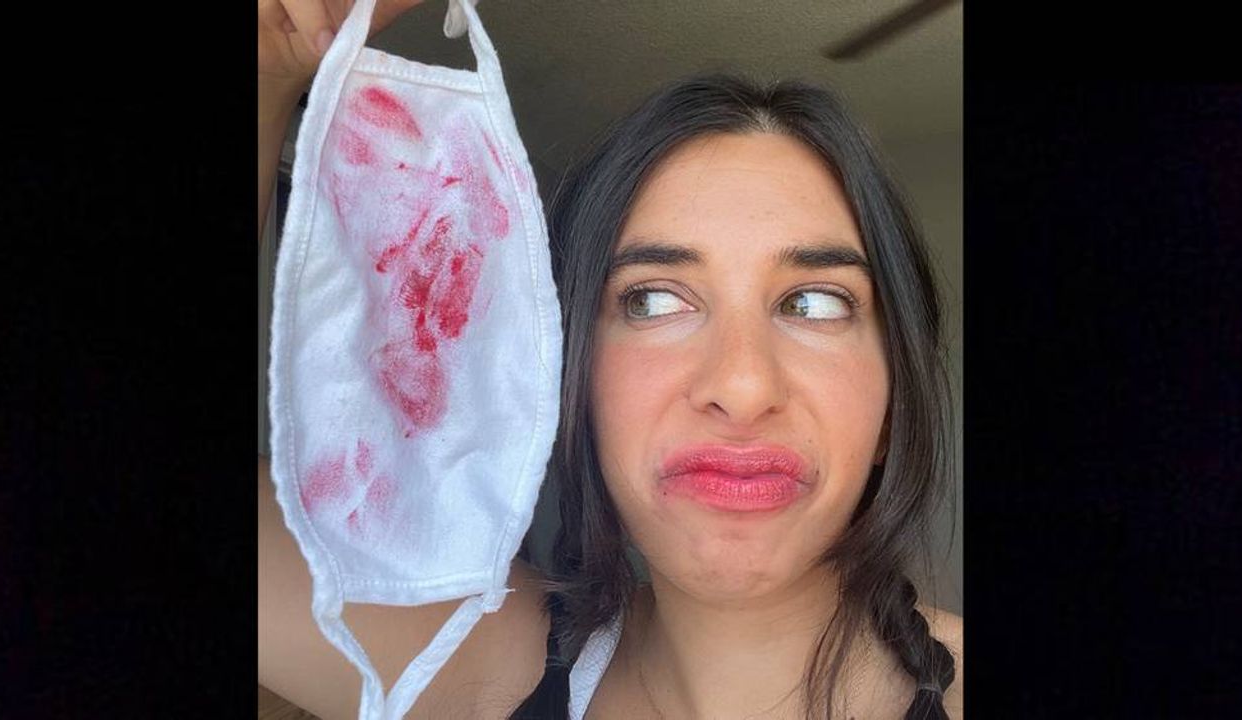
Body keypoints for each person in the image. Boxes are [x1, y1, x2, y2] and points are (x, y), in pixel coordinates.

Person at [258, 2, 964, 718]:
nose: (744, 386)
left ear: (892, 404)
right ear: (572, 386)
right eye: (652, 300)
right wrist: (265, 70)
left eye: (814, 304)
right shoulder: (470, 667)